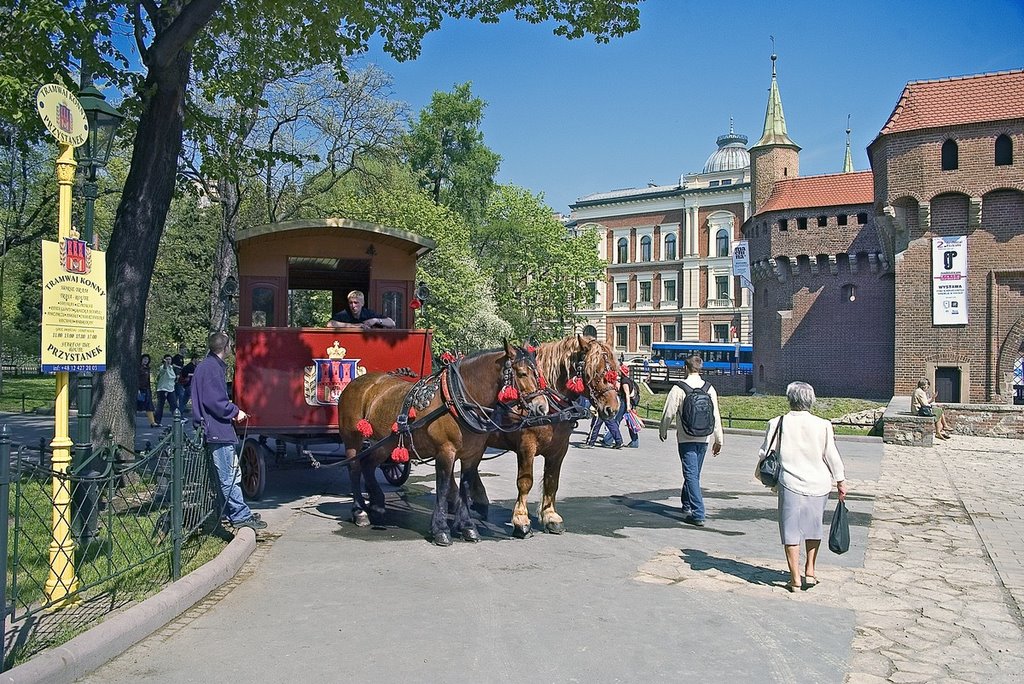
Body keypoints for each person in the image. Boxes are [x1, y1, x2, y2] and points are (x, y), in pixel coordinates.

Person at [759, 381, 847, 593]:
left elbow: (764, 452)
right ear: (811, 400)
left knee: (790, 531)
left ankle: (794, 577)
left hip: (789, 482)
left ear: (789, 398)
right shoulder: (823, 424)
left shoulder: (777, 422)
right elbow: (831, 454)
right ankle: (810, 570)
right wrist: (841, 480)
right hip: (819, 483)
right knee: (813, 527)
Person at [191, 332, 266, 531]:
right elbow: (215, 401)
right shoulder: (212, 368)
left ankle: (230, 512)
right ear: (226, 348)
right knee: (230, 476)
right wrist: (235, 411)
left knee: (226, 475)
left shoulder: (206, 366)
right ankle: (241, 516)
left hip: (212, 428)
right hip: (218, 429)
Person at [658, 354, 724, 527]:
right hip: (704, 437)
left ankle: (698, 513)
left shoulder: (679, 388)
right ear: (700, 368)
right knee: (694, 474)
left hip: (685, 437)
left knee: (690, 474)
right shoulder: (709, 388)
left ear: (684, 368)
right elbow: (715, 415)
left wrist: (663, 430)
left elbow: (669, 412)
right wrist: (719, 439)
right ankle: (686, 503)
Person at [327, 290, 395, 330]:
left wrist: (376, 320)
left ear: (362, 303)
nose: (353, 306)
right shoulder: (344, 314)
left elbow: (392, 323)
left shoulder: (369, 313)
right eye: (351, 303)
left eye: (356, 303)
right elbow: (329, 324)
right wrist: (355, 326)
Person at [153, 353, 179, 425]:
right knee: (160, 406)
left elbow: (173, 379)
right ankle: (157, 421)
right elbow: (164, 369)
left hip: (171, 389)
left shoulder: (172, 368)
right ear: (164, 360)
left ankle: (178, 420)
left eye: (169, 359)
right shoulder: (162, 367)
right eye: (167, 359)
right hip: (162, 389)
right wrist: (165, 364)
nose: (168, 361)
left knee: (174, 405)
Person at [138, 354, 157, 428]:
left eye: (147, 359)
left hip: (146, 389)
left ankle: (152, 422)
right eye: (144, 359)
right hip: (140, 389)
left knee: (149, 405)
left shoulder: (147, 368)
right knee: (138, 405)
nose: (146, 360)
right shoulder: (138, 368)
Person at [171, 344, 188, 412]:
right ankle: (181, 408)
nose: (185, 350)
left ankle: (175, 407)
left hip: (180, 376)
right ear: (180, 349)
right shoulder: (177, 357)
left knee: (177, 393)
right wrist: (179, 367)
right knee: (181, 393)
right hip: (177, 376)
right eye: (184, 349)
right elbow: (173, 365)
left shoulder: (182, 357)